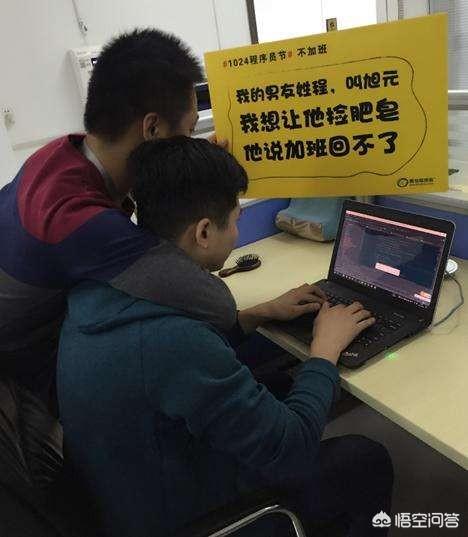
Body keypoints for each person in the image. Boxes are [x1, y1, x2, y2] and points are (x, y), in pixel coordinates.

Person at [58, 137, 393, 537]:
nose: (237, 231)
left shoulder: (102, 287)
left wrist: (258, 314)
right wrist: (324, 351)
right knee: (365, 458)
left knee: (277, 383)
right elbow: (292, 447)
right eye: (235, 220)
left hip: (129, 487)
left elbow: (173, 361)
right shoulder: (174, 341)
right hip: (187, 516)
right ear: (203, 232)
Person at [0, 28, 236, 399]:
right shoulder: (79, 221)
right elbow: (218, 307)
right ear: (152, 128)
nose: (191, 144)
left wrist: (197, 168)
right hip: (28, 384)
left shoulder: (56, 156)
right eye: (189, 131)